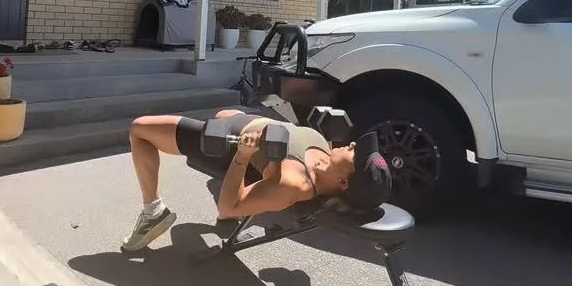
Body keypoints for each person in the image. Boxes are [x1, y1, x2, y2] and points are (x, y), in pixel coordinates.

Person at [121, 108, 391, 253]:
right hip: (242, 120)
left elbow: (229, 206)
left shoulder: (293, 185)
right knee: (224, 112)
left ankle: (153, 212)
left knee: (139, 129)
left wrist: (242, 156)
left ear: (343, 182)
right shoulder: (327, 154)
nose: (353, 144)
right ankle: (228, 221)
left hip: (226, 143)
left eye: (356, 154)